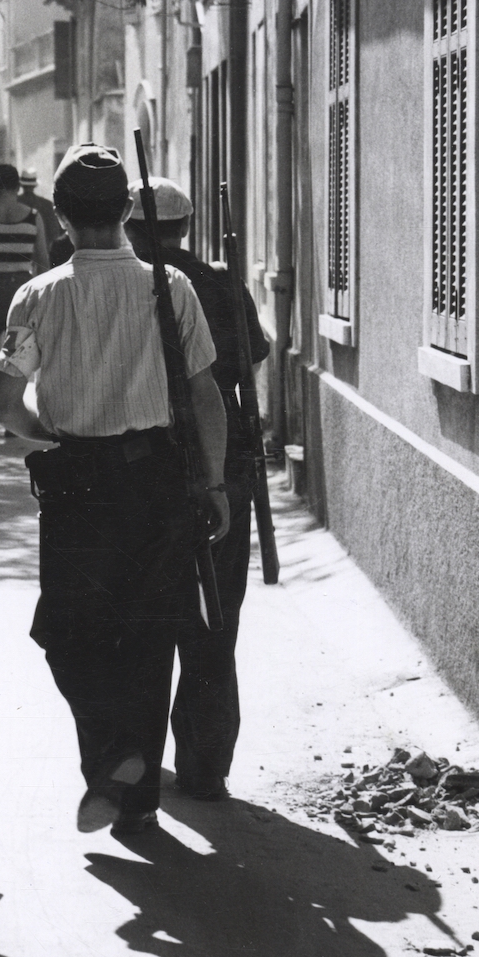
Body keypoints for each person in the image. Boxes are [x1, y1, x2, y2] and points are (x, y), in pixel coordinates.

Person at [0, 143, 230, 836]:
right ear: (127, 209)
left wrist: (48, 440)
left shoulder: (35, 296)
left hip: (75, 489)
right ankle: (138, 794)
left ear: (61, 216)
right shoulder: (171, 288)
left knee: (68, 635)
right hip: (158, 482)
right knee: (149, 636)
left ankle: (113, 759)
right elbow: (204, 393)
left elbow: (7, 408)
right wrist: (212, 481)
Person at [124, 179, 270, 800]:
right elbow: (248, 361)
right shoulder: (219, 285)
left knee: (144, 619)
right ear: (184, 229)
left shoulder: (130, 286)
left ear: (132, 229)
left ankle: (135, 761)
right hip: (222, 465)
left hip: (148, 466)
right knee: (215, 620)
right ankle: (206, 765)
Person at [0, 163, 48, 434]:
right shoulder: (33, 216)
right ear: (16, 186)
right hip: (22, 292)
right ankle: (13, 413)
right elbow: (43, 262)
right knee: (18, 355)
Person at [18, 169, 62, 251]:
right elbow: (54, 233)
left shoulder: (16, 202)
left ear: (21, 185)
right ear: (34, 185)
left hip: (20, 252)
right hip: (42, 252)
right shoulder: (46, 204)